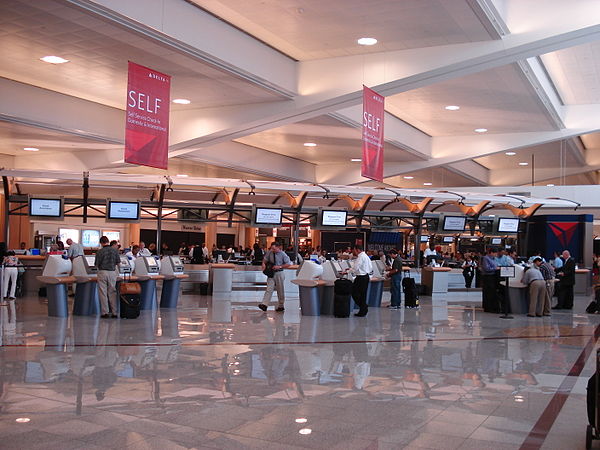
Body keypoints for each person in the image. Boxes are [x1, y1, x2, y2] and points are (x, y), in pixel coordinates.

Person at [258, 242, 292, 312]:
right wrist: (263, 264)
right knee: (269, 289)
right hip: (271, 273)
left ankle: (281, 305)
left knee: (280, 289)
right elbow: (265, 259)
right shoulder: (270, 253)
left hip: (279, 273)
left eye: (274, 249)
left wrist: (279, 266)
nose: (272, 250)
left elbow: (288, 264)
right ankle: (264, 304)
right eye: (272, 248)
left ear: (278, 247)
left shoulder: (283, 254)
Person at [94, 236, 121, 318]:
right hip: (112, 272)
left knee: (103, 293)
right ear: (108, 241)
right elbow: (118, 262)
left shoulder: (99, 252)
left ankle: (105, 312)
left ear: (101, 243)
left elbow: (96, 264)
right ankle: (114, 312)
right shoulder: (115, 251)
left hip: (102, 272)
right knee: (112, 292)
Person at [344, 244, 373, 317]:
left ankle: (364, 307)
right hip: (365, 276)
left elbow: (356, 268)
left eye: (354, 250)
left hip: (361, 278)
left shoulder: (360, 257)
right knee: (363, 294)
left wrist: (347, 272)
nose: (354, 251)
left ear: (358, 250)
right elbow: (369, 267)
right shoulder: (366, 256)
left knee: (354, 293)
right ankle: (363, 310)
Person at [481, 248, 500, 313]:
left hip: (493, 277)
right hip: (487, 277)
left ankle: (493, 307)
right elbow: (486, 268)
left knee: (492, 292)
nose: (496, 254)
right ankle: (488, 307)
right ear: (491, 252)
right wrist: (495, 268)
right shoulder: (485, 258)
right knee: (488, 292)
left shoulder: (494, 259)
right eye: (495, 253)